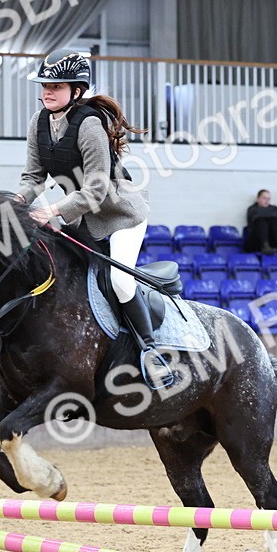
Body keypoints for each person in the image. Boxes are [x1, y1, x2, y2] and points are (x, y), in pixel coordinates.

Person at [13, 49, 174, 389]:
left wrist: (54, 210)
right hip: (81, 220)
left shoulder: (88, 124)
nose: (47, 91)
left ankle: (152, 351)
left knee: (119, 281)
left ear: (77, 90)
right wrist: (16, 200)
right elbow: (33, 177)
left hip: (119, 217)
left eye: (56, 86)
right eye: (44, 85)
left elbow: (97, 189)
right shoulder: (38, 122)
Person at [243, 189, 277, 254]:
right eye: (264, 198)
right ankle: (265, 245)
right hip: (256, 240)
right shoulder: (252, 209)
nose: (266, 201)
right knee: (260, 221)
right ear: (258, 199)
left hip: (271, 239)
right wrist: (270, 214)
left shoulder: (274, 208)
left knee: (275, 221)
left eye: (268, 199)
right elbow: (256, 217)